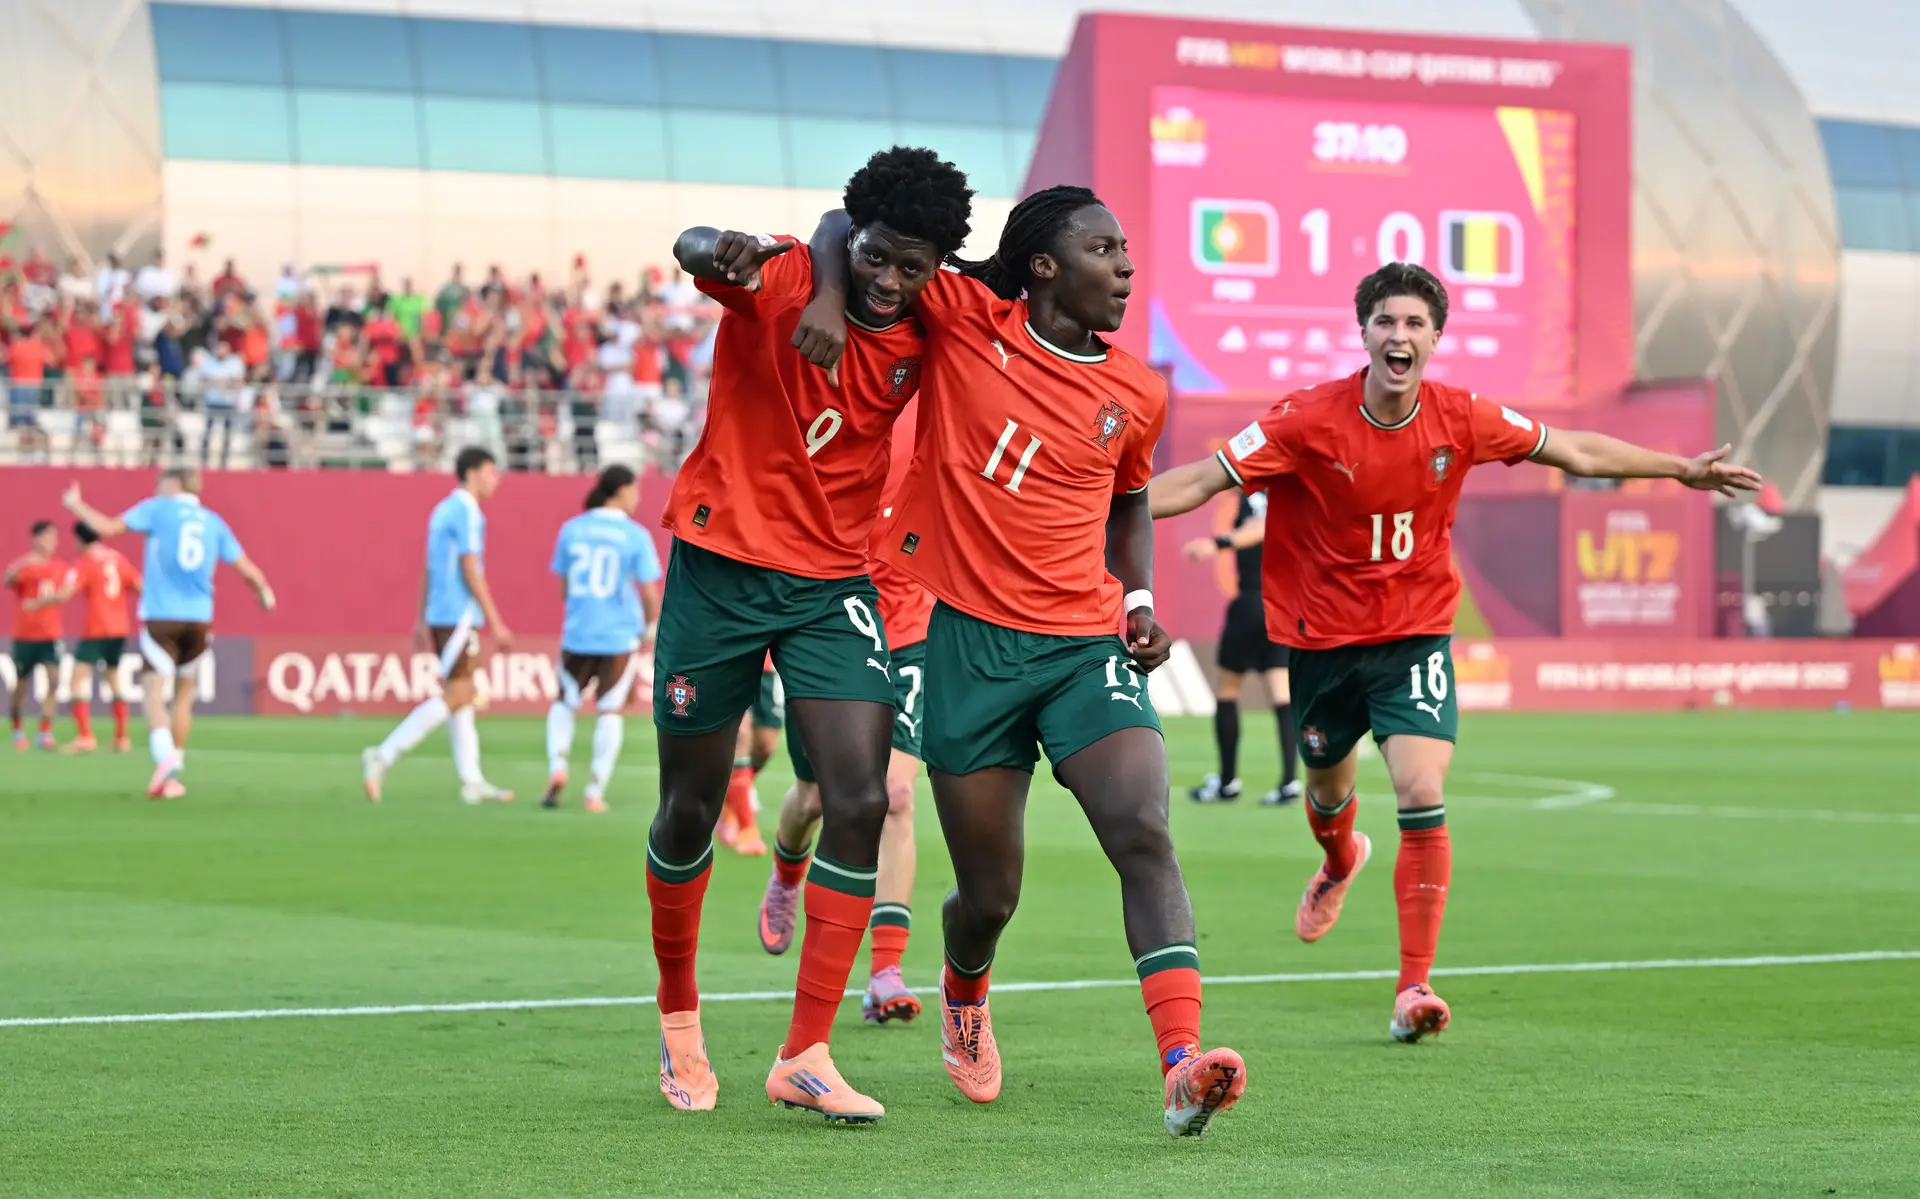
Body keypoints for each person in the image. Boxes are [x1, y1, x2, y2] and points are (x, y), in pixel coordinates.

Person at [1146, 261, 1764, 1043]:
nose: (1398, 336)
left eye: (1413, 324)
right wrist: (1100, 513)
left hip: (1414, 635)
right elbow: (1201, 479)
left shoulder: (1463, 417)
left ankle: (1413, 988)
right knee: (1329, 797)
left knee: (1419, 786)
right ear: (1363, 332)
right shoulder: (1305, 419)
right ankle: (1339, 861)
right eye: (1385, 322)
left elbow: (1573, 451)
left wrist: (1682, 469)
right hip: (1322, 644)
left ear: (1435, 337)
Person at [797, 183, 1248, 1138]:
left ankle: (1180, 1064)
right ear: (1044, 265)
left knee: (1142, 825)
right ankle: (964, 990)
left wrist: (1136, 600)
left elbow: (1130, 501)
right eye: (1104, 249)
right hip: (970, 652)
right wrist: (828, 297)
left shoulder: (1137, 388)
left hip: (1084, 647)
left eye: (1126, 251)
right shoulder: (963, 315)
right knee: (988, 894)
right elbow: (851, 226)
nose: (1126, 267)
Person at [645, 146, 972, 1122]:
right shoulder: (786, 277)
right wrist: (740, 250)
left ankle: (807, 1051)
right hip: (721, 568)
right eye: (877, 256)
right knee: (690, 809)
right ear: (852, 237)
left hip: (833, 581)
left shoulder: (929, 322)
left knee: (864, 793)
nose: (891, 281)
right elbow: (693, 247)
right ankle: (678, 1017)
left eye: (914, 267)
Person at [758, 410, 931, 1026]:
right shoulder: (834, 386)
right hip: (827, 621)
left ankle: (886, 973)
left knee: (896, 794)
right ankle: (785, 872)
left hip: (910, 624)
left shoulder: (939, 383)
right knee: (812, 799)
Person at [62, 469, 277, 797]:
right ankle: (173, 776)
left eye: (160, 482)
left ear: (174, 484)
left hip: (162, 619)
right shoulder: (213, 521)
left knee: (152, 692)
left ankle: (165, 759)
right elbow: (248, 570)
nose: (155, 487)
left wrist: (76, 505)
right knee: (183, 696)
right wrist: (264, 593)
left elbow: (106, 527)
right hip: (200, 621)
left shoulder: (157, 509)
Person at [361, 447, 516, 805]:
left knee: (463, 697)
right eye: (492, 472)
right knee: (460, 695)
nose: (497, 480)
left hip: (440, 613)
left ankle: (472, 780)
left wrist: (420, 618)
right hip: (459, 614)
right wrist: (496, 621)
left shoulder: (441, 510)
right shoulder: (467, 511)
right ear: (474, 473)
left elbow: (430, 568)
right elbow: (470, 568)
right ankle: (383, 754)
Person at [542, 464, 663, 814]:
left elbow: (564, 584)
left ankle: (557, 768)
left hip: (578, 632)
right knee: (609, 710)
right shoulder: (634, 535)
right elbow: (650, 593)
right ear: (621, 490)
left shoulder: (572, 529)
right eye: (635, 490)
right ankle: (594, 791)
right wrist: (649, 628)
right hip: (618, 635)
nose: (637, 497)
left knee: (565, 701)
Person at [1182, 492, 1299, 806]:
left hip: (1252, 602)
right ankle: (1290, 781)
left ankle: (1227, 781)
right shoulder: (1291, 490)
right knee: (1280, 690)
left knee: (1228, 689)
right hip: (1278, 606)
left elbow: (1262, 527)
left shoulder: (1258, 495)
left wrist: (1218, 543)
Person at [40, 520, 142, 752]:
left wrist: (40, 601)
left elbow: (65, 594)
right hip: (119, 629)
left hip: (97, 629)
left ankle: (85, 736)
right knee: (114, 678)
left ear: (79, 539)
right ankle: (121, 738)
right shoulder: (117, 558)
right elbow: (139, 585)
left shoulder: (84, 562)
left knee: (77, 679)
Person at [6, 520, 68, 751]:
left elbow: (63, 593)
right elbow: (8, 580)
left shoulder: (60, 567)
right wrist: (21, 564)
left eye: (55, 537)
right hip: (25, 635)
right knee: (21, 684)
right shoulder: (26, 565)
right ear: (37, 539)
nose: (53, 542)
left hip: (50, 634)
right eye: (48, 537)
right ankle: (17, 728)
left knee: (54, 680)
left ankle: (45, 731)